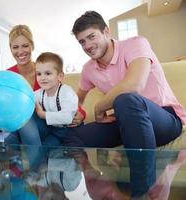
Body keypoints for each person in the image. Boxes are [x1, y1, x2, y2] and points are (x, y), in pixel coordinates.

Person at [64, 10, 186, 198]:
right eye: (82, 42)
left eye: (91, 37)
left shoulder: (135, 44)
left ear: (106, 32)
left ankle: (141, 194)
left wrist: (99, 107)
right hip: (125, 121)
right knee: (72, 136)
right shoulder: (88, 69)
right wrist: (76, 112)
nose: (87, 45)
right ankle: (78, 182)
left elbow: (134, 86)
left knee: (126, 99)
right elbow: (78, 99)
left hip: (164, 119)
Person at [34, 52, 79, 146]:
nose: (42, 78)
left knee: (74, 151)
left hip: (71, 131)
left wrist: (43, 114)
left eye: (48, 73)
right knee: (45, 148)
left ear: (60, 76)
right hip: (54, 131)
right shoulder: (39, 93)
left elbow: (67, 118)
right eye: (39, 74)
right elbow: (29, 98)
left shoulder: (66, 92)